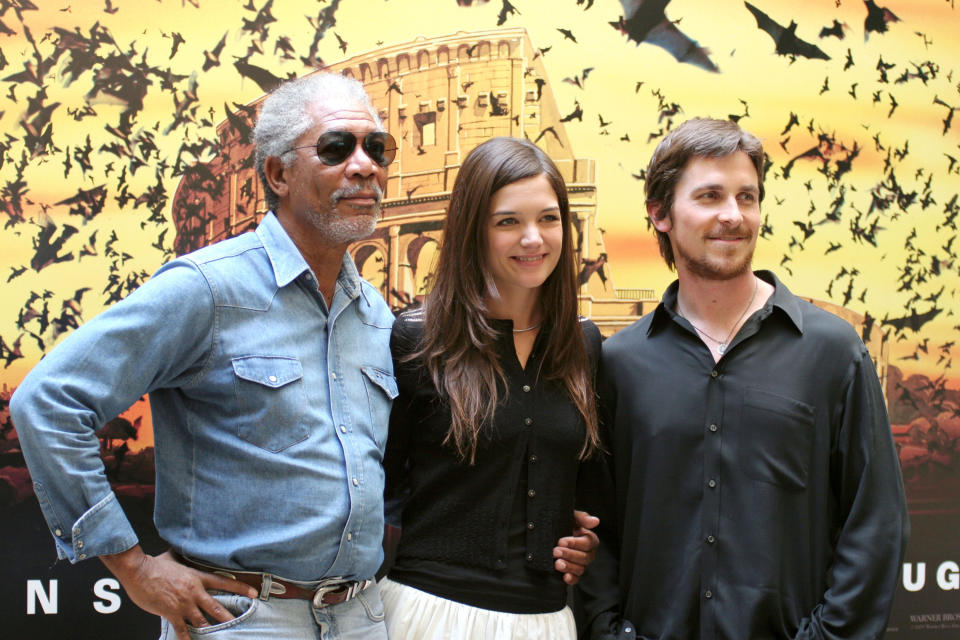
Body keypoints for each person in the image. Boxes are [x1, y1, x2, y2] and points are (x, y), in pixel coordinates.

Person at [11, 73, 400, 639]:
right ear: (278, 173)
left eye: (377, 147)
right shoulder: (206, 289)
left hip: (359, 617)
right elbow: (48, 400)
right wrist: (133, 568)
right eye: (337, 147)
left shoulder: (374, 314)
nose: (365, 165)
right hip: (241, 621)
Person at [576, 118, 909, 639]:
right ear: (660, 213)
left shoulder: (832, 351)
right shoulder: (619, 364)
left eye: (746, 197)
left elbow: (876, 524)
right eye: (710, 196)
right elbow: (593, 530)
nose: (732, 216)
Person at [379, 136, 604, 639]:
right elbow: (379, 486)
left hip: (546, 620)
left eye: (548, 219)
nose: (534, 239)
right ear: (472, 232)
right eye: (508, 222)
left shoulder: (583, 346)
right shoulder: (417, 339)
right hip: (428, 614)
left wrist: (581, 540)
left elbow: (584, 495)